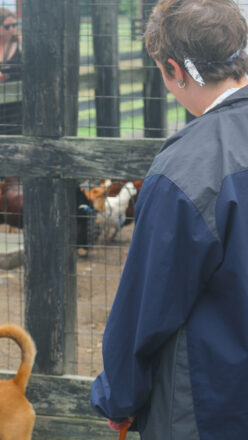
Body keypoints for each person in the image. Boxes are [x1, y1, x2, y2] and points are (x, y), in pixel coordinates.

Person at [90, 0, 248, 438]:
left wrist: (118, 396)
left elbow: (147, 304)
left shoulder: (187, 169)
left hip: (211, 405)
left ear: (175, 69)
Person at [0, 7, 23, 135]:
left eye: (14, 25)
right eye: (7, 27)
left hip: (18, 107)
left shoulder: (21, 46)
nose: (11, 29)